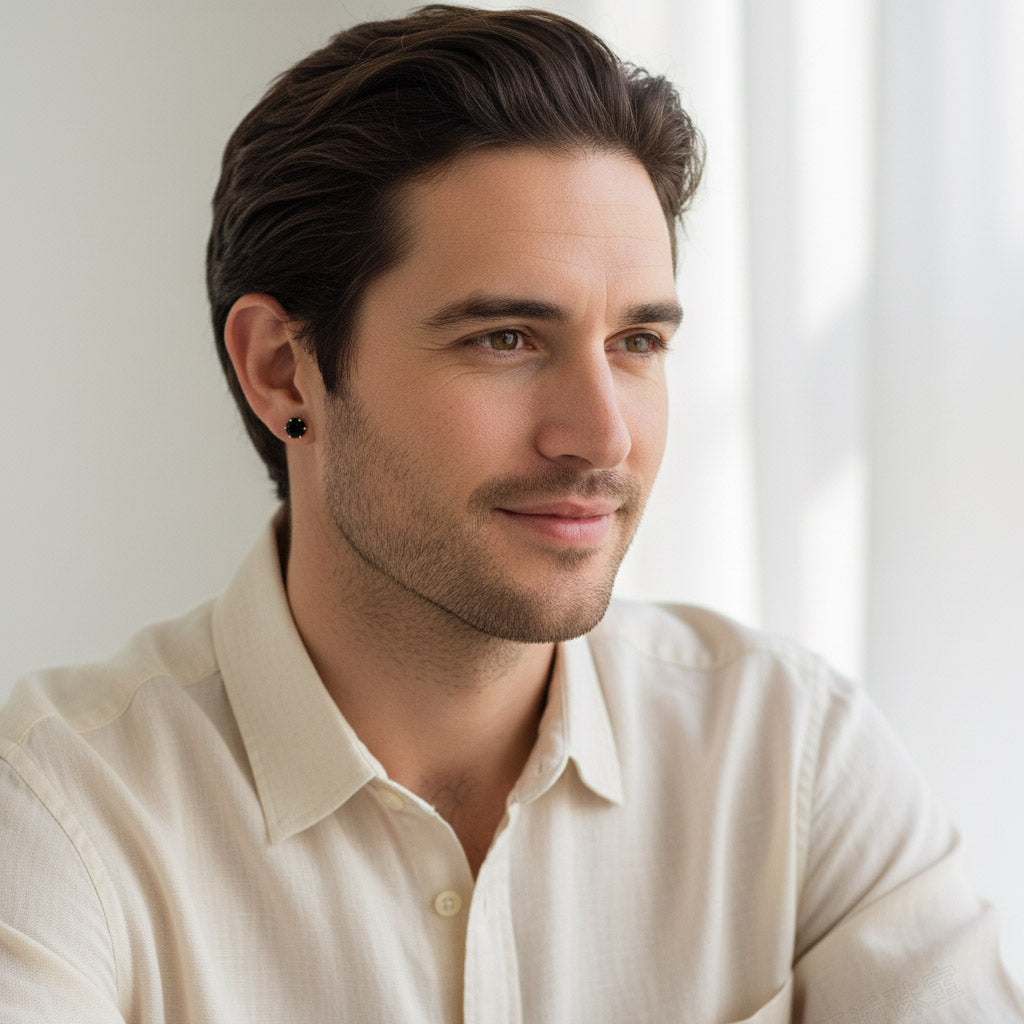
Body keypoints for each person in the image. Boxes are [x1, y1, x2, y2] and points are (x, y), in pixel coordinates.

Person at [1, 5, 1021, 1021]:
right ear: (283, 371)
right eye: (504, 338)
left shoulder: (790, 755)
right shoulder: (62, 808)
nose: (602, 435)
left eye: (637, 343)